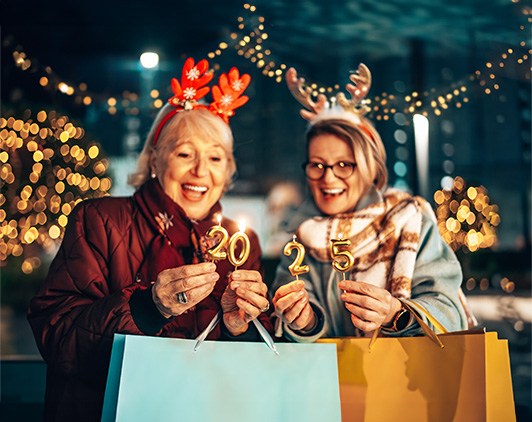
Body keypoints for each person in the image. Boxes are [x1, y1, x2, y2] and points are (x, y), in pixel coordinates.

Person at [27, 58, 272, 422]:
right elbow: (57, 338)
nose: (200, 170)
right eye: (185, 153)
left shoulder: (242, 241)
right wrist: (147, 308)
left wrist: (241, 329)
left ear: (228, 172)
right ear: (155, 160)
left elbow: (254, 363)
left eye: (215, 158)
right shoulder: (98, 219)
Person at [270, 64, 473, 343]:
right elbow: (287, 323)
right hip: (328, 381)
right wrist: (305, 321)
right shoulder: (298, 238)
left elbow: (450, 313)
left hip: (406, 380)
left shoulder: (410, 220)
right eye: (317, 165)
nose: (328, 177)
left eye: (343, 164)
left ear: (370, 169)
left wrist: (396, 314)